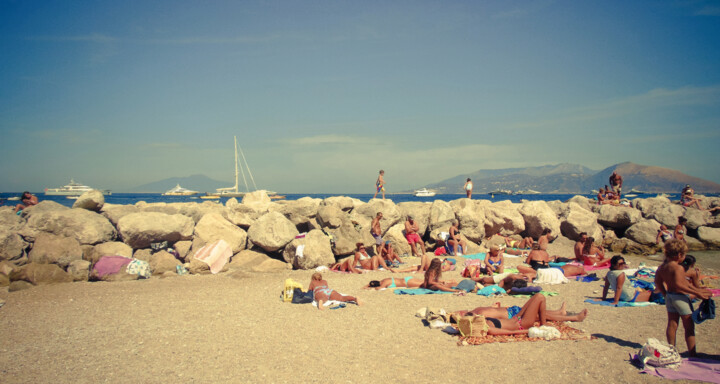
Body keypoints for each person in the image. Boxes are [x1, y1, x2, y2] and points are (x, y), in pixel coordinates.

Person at [654, 239, 711, 357]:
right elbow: (680, 285)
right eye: (684, 255)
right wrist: (698, 292)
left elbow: (658, 283)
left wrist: (665, 295)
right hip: (680, 298)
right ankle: (692, 353)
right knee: (689, 326)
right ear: (679, 255)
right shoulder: (678, 268)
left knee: (672, 324)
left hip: (670, 296)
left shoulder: (662, 267)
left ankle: (672, 349)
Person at [456, 297, 588, 324]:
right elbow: (498, 320)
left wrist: (495, 305)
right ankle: (574, 318)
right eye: (459, 313)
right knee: (542, 315)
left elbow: (494, 311)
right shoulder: (479, 316)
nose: (460, 311)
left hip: (511, 310)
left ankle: (559, 312)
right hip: (513, 315)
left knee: (542, 312)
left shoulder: (476, 310)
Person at [597, 256, 662, 305]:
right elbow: (619, 288)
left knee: (651, 291)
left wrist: (603, 298)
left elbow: (606, 287)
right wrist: (616, 301)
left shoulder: (609, 274)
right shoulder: (620, 274)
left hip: (625, 296)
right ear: (614, 265)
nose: (622, 265)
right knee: (654, 293)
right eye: (620, 264)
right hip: (630, 296)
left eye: (623, 263)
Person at [516, 242, 587, 278]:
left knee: (519, 267)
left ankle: (533, 273)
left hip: (537, 269)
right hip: (547, 268)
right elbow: (547, 260)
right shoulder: (545, 252)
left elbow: (528, 262)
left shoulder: (533, 252)